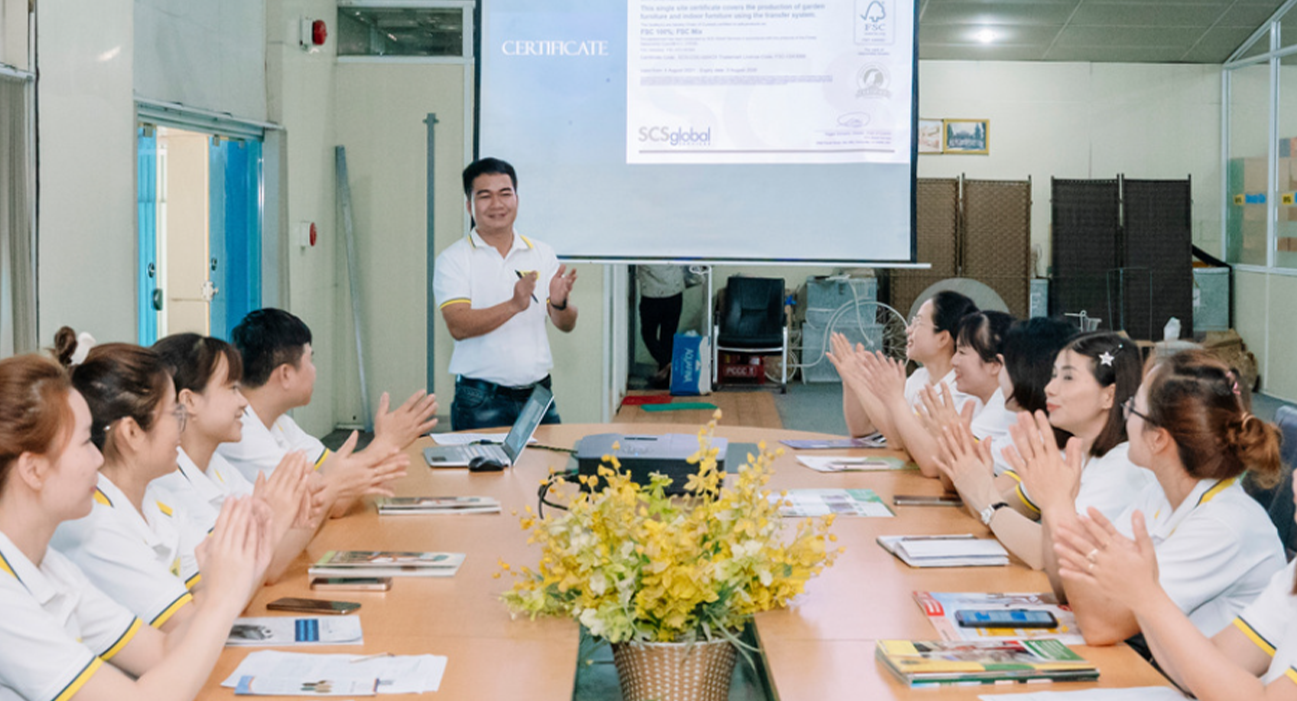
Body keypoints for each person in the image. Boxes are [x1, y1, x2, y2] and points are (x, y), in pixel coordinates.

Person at [0, 353, 274, 701]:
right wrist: (221, 599)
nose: (99, 458)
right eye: (84, 443)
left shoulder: (51, 567)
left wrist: (230, 583)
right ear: (33, 470)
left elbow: (162, 650)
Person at [1014, 349, 1285, 645]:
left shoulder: (1223, 524)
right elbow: (1070, 588)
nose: (1124, 414)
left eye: (1133, 407)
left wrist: (1057, 505)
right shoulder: (1159, 493)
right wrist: (1056, 505)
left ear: (1158, 438)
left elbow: (1101, 625)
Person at [1053, 473, 1297, 700]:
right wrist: (1143, 594)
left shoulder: (1228, 520)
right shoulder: (1293, 574)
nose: (1294, 476)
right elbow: (1206, 666)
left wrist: (1148, 597)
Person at [50, 339, 230, 632]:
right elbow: (189, 624)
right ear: (132, 432)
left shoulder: (158, 499)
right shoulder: (94, 526)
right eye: (174, 414)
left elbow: (218, 584)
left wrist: (218, 587)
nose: (181, 427)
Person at [935, 330, 1151, 569]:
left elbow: (1053, 553)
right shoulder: (1066, 452)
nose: (1050, 388)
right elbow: (992, 514)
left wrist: (986, 497)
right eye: (1054, 375)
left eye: (1068, 378)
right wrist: (979, 483)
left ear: (1108, 395)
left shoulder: (1125, 465)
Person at [215, 308, 434, 517]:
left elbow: (334, 469)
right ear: (286, 374)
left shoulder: (279, 422)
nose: (314, 370)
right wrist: (387, 443)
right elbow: (328, 502)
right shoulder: (242, 436)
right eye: (310, 360)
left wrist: (383, 446)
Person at [151, 333, 325, 583]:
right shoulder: (170, 482)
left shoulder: (216, 464)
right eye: (232, 388)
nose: (243, 402)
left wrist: (290, 515)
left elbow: (274, 548)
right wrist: (286, 515)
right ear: (189, 400)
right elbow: (250, 570)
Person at [433, 157, 576, 430]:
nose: (497, 204)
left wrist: (560, 304)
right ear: (469, 205)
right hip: (480, 399)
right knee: (483, 461)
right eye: (485, 196)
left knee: (552, 460)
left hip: (538, 397)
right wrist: (513, 305)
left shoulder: (541, 252)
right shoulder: (453, 259)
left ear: (517, 200)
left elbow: (566, 324)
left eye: (505, 194)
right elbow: (458, 326)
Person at [826, 290, 980, 450]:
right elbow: (863, 430)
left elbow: (901, 440)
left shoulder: (963, 391)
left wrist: (859, 384)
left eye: (918, 323)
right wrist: (850, 381)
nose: (908, 330)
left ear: (942, 338)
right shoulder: (919, 378)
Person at [637, 265, 688, 388]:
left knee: (648, 335)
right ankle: (665, 379)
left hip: (651, 294)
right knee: (668, 338)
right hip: (674, 292)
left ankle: (667, 364)